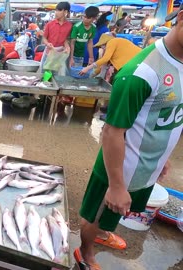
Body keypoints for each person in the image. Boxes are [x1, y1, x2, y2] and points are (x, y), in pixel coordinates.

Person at [74, 7, 183, 270]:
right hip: (120, 169)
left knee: (115, 213)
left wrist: (163, 158)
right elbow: (112, 132)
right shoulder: (140, 73)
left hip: (148, 165)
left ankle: (101, 233)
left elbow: (171, 116)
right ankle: (85, 253)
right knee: (96, 213)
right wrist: (116, 185)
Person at [39, 1, 72, 75]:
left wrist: (67, 47)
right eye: (56, 10)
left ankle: (53, 85)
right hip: (49, 51)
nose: (56, 12)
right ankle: (45, 85)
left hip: (60, 53)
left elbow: (66, 39)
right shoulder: (50, 24)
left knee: (56, 73)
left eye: (59, 10)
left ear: (65, 11)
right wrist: (48, 44)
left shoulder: (69, 26)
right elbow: (44, 38)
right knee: (45, 72)